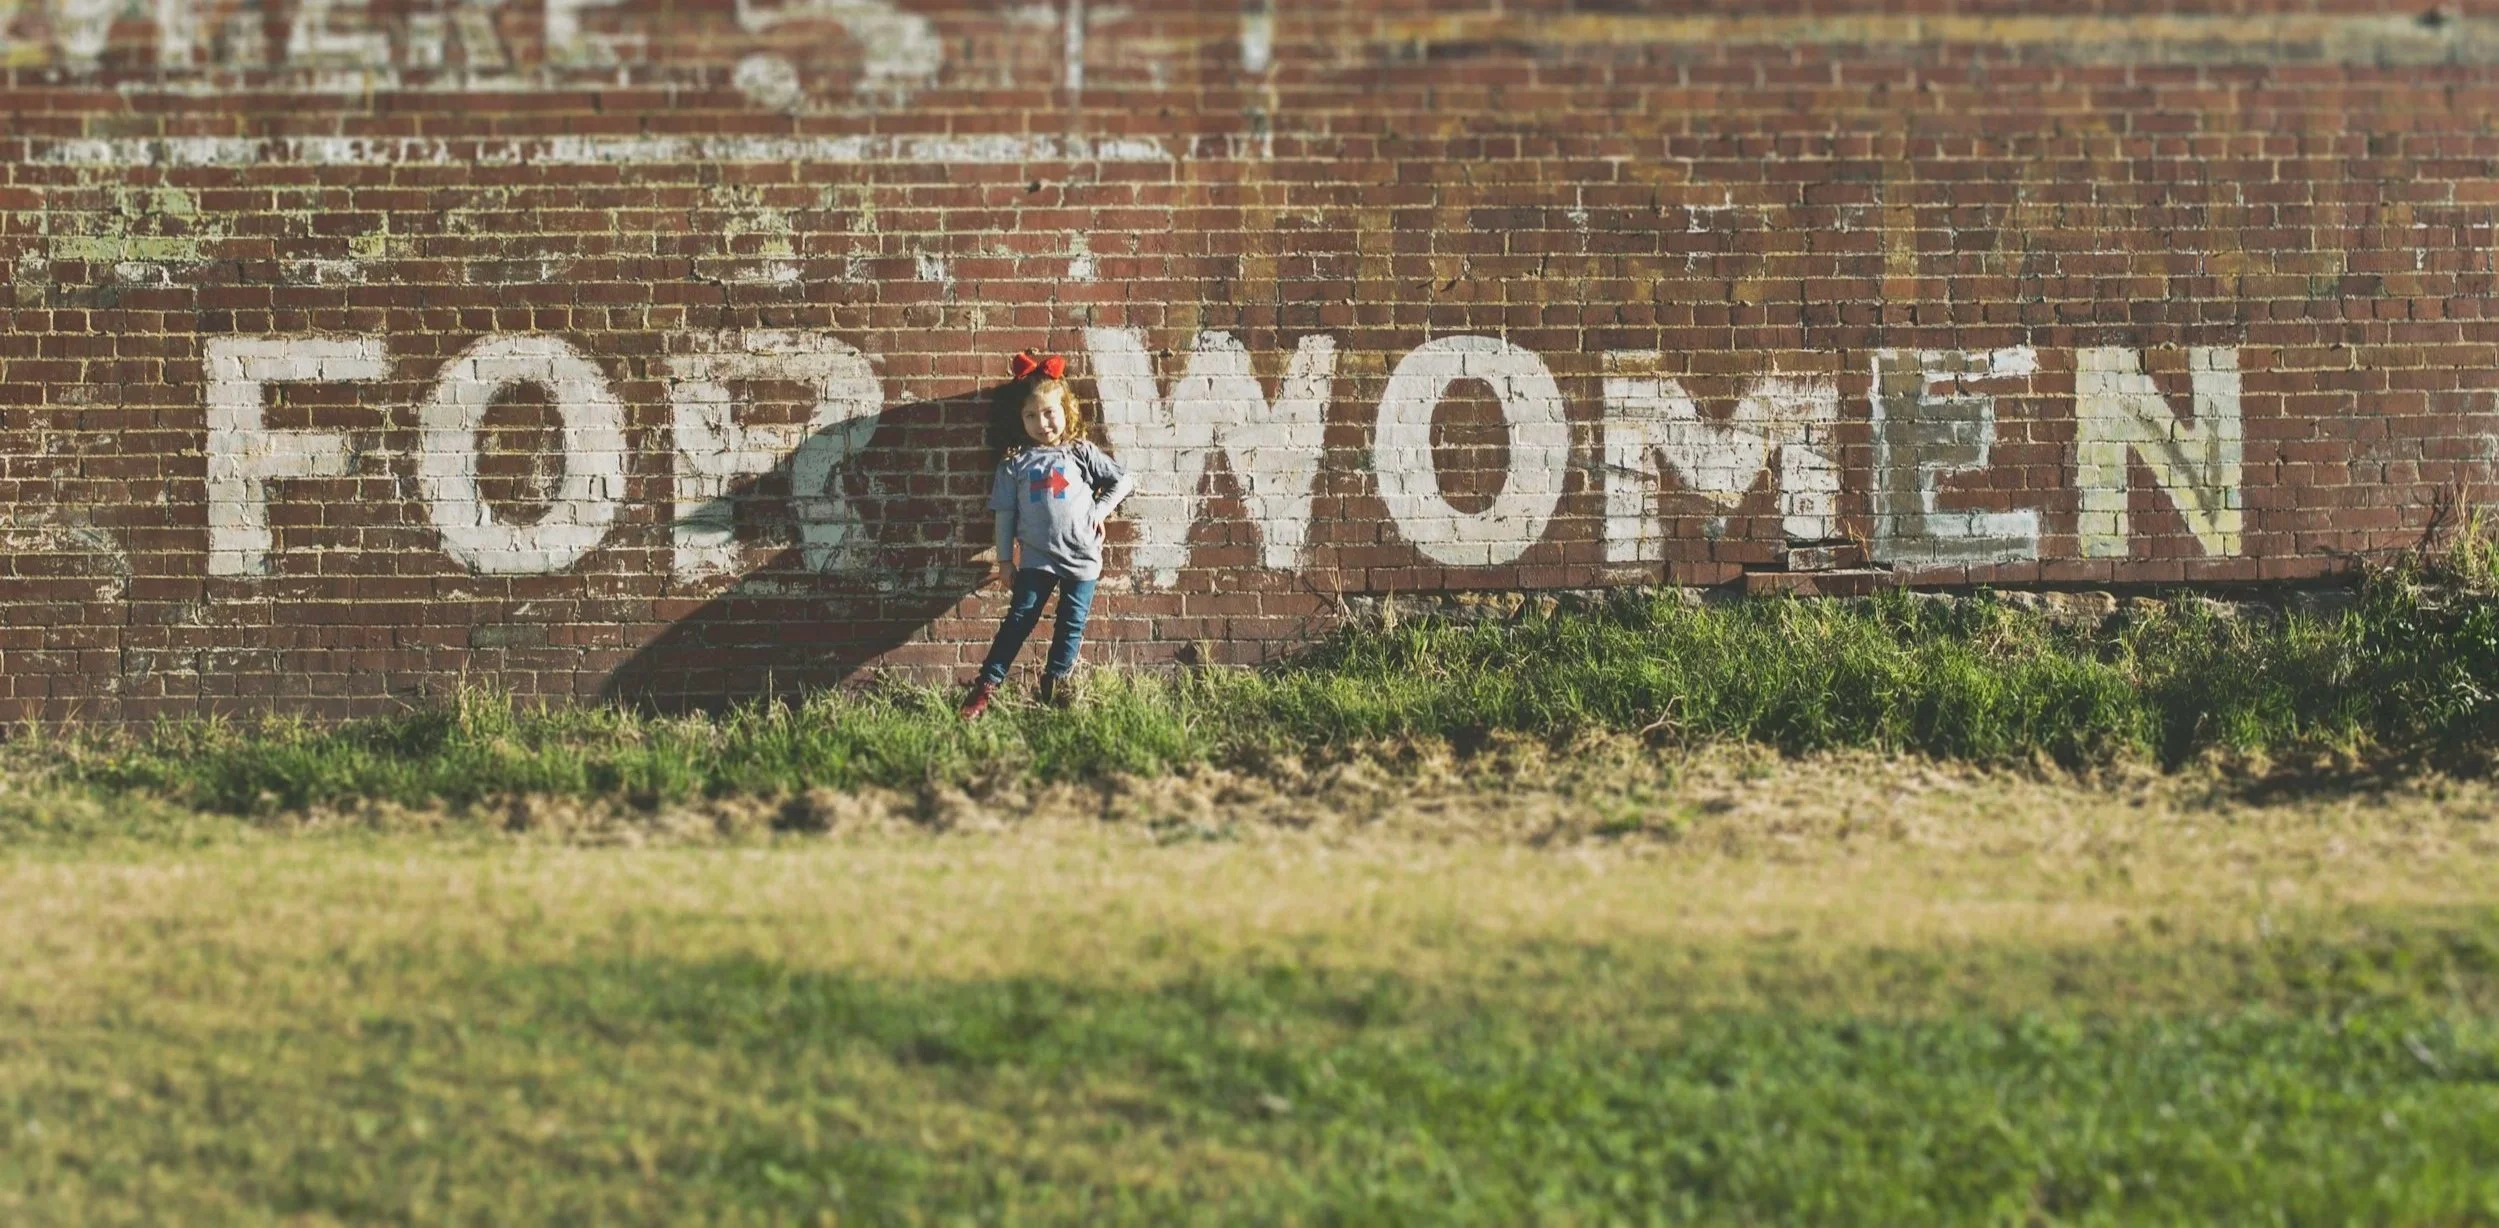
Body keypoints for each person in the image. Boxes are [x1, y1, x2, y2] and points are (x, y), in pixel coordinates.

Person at [959, 352, 1136, 719]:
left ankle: (1054, 686)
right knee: (1019, 619)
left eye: (1049, 412)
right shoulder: (1015, 463)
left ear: (1066, 410)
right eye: (1031, 416)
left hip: (1083, 556)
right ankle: (986, 686)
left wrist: (1099, 510)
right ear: (1019, 419)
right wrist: (1005, 560)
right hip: (1037, 557)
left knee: (1071, 624)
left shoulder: (1080, 452)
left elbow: (1123, 480)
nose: (1042, 423)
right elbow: (1005, 514)